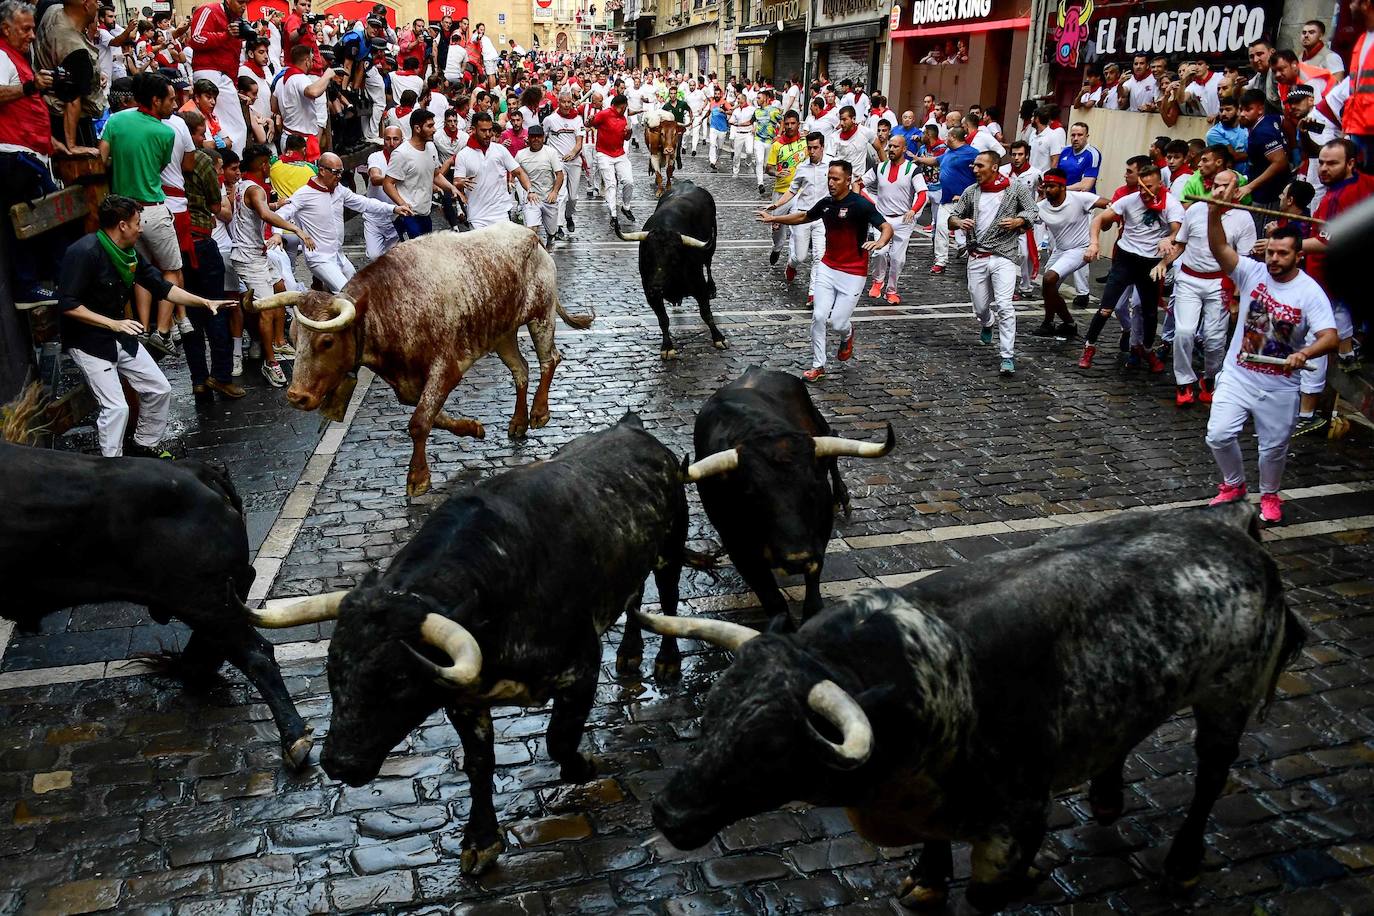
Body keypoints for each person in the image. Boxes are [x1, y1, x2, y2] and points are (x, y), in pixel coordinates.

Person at [57, 195, 235, 456]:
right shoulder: (84, 252)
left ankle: (145, 444)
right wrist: (113, 324)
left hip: (121, 335)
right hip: (89, 342)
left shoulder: (130, 254)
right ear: (122, 226)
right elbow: (68, 304)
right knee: (117, 408)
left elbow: (163, 288)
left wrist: (205, 302)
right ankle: (112, 468)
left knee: (159, 388)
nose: (141, 228)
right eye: (137, 223)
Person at [1203, 191, 1338, 524]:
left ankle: (1270, 493)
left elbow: (1330, 337)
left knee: (1273, 449)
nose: (1274, 259)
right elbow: (1221, 250)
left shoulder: (1309, 292)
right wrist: (1213, 215)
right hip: (1238, 374)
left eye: (1283, 254)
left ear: (1298, 256)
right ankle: (1234, 485)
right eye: (1272, 252)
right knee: (1218, 435)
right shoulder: (1251, 272)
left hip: (1279, 386)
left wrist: (1304, 353)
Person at [758, 160, 893, 383]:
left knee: (837, 323)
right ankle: (818, 365)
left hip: (853, 273)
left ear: (848, 181)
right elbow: (803, 216)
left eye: (836, 179)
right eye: (829, 178)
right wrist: (774, 218)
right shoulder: (826, 203)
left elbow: (886, 227)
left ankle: (847, 334)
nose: (830, 183)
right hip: (828, 268)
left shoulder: (861, 205)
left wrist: (880, 242)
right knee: (819, 317)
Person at [1151, 168, 1256, 406]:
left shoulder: (1243, 218)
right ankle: (1183, 382)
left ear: (1236, 191)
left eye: (1224, 186)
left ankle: (1209, 379)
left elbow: (1245, 262)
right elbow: (1180, 245)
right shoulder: (1196, 210)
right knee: (1184, 332)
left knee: (1214, 338)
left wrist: (1237, 297)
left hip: (1220, 283)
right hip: (1189, 279)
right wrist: (1163, 263)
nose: (1217, 190)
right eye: (1215, 185)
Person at [100, 71, 183, 356]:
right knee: (171, 269)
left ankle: (143, 328)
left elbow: (101, 158)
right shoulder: (165, 132)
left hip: (123, 215)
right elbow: (158, 169)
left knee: (140, 273)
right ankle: (162, 330)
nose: (174, 104)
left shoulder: (115, 120)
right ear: (155, 100)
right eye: (170, 99)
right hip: (153, 209)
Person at [1078, 164, 1183, 371]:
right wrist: (1094, 243)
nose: (1145, 192)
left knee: (1150, 312)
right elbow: (1099, 219)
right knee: (1106, 309)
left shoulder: (1171, 204)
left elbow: (1179, 235)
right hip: (1126, 259)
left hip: (1151, 263)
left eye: (1150, 187)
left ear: (1160, 184)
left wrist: (1168, 241)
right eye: (1142, 187)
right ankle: (1089, 346)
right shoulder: (1129, 200)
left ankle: (1146, 349)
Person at [945, 151, 1037, 376]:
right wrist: (959, 221)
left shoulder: (1014, 188)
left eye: (980, 166)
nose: (975, 170)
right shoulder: (971, 192)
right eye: (974, 166)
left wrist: (1018, 220)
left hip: (1003, 256)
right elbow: (952, 217)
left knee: (1005, 305)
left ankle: (1007, 356)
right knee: (980, 307)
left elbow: (1032, 211)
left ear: (994, 167)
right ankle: (987, 322)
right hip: (977, 256)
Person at [230, 143, 314, 387]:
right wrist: (296, 228)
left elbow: (259, 210)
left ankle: (278, 343)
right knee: (267, 310)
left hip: (259, 253)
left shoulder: (241, 185)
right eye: (268, 162)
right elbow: (264, 215)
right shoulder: (256, 189)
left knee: (281, 289)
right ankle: (270, 362)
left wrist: (277, 205)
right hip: (248, 256)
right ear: (261, 164)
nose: (270, 167)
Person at [278, 152, 407, 291]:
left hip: (339, 255)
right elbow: (281, 214)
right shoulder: (303, 194)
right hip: (319, 258)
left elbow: (365, 203)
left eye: (341, 172)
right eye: (336, 172)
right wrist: (277, 234)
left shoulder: (339, 190)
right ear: (322, 170)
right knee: (347, 292)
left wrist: (393, 208)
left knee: (356, 286)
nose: (339, 177)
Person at [0, 0, 60, 302]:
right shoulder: (1, 55)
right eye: (25, 29)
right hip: (14, 155)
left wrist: (54, 144)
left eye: (33, 29)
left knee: (45, 220)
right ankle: (29, 286)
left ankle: (39, 285)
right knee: (33, 220)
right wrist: (29, 87)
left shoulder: (18, 57)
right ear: (5, 29)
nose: (32, 35)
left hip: (28, 153)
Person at [180, 130, 242, 401]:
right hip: (201, 241)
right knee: (215, 309)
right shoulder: (203, 162)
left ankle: (199, 380)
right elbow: (219, 208)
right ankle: (221, 376)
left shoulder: (162, 162)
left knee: (189, 314)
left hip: (175, 245)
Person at [1034, 169, 1106, 339]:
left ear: (1063, 187)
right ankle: (1052, 323)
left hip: (1080, 249)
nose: (1048, 190)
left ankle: (1067, 323)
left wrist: (1107, 223)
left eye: (1052, 186)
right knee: (1048, 288)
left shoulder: (1080, 198)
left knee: (1049, 278)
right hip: (1060, 250)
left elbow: (1110, 205)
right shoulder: (1041, 207)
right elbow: (1026, 220)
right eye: (1046, 187)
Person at [864, 134, 928, 304]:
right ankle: (877, 281)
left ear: (905, 149)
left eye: (895, 146)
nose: (891, 149)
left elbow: (922, 193)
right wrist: (872, 203)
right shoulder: (880, 168)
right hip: (882, 220)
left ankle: (891, 290)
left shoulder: (912, 169)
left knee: (898, 259)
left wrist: (913, 210)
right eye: (890, 146)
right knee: (879, 252)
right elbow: (860, 184)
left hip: (903, 221)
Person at [763, 130, 827, 296]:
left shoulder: (832, 164)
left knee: (819, 257)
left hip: (822, 218)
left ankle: (813, 294)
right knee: (800, 256)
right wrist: (777, 204)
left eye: (815, 148)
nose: (812, 152)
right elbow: (792, 191)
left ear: (822, 147)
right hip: (803, 216)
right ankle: (791, 265)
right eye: (809, 148)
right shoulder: (801, 168)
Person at [35, 0, 102, 156]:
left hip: (49, 110)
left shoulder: (53, 11)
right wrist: (72, 145)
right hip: (69, 123)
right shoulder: (73, 46)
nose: (98, 6)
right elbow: (72, 100)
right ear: (86, 5)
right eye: (96, 3)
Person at [384, 109, 460, 239]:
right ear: (417, 128)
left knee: (425, 256)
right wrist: (402, 204)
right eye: (430, 126)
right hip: (408, 217)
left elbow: (436, 175)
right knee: (413, 257)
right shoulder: (401, 153)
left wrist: (451, 187)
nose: (434, 130)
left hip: (425, 214)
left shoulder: (431, 147)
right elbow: (387, 184)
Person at [187, 0, 247, 154]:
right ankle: (225, 166)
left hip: (225, 76)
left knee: (237, 126)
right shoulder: (209, 10)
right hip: (208, 71)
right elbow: (196, 38)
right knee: (212, 127)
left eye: (246, 2)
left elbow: (233, 55)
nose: (244, 6)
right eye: (241, 2)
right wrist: (225, 35)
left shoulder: (237, 21)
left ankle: (233, 166)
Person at [457, 110, 532, 231]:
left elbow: (519, 172)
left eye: (490, 130)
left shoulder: (500, 150)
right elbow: (457, 182)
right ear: (473, 129)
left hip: (501, 213)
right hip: (477, 217)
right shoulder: (463, 155)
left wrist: (530, 190)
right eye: (483, 130)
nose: (488, 134)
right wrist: (460, 184)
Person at [929, 125, 976, 275]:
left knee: (971, 231)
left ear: (953, 137)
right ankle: (940, 262)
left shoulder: (972, 153)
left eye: (947, 136)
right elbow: (936, 160)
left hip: (966, 201)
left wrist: (964, 193)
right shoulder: (948, 152)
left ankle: (975, 259)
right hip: (947, 199)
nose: (944, 139)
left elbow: (982, 172)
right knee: (941, 229)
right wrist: (917, 159)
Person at [764, 110, 805, 270]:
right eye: (787, 123)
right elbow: (768, 168)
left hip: (799, 193)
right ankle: (777, 247)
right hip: (781, 193)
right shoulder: (777, 145)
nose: (789, 126)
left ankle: (792, 261)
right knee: (777, 227)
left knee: (797, 228)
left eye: (792, 123)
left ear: (798, 124)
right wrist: (776, 172)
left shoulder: (805, 143)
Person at [273, 43, 329, 161]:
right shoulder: (300, 78)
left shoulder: (281, 80)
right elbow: (313, 92)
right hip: (300, 142)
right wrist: (327, 76)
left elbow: (273, 106)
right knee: (304, 177)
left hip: (286, 136)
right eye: (312, 60)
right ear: (307, 60)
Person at [591, 93, 635, 230]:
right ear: (619, 106)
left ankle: (626, 207)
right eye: (624, 107)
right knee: (611, 184)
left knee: (629, 181)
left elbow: (627, 138)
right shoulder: (604, 114)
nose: (625, 110)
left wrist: (629, 132)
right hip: (604, 154)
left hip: (620, 154)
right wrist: (589, 120)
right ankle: (613, 215)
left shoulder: (624, 119)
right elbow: (591, 123)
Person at [516, 124, 564, 247]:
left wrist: (555, 192)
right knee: (532, 230)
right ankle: (534, 255)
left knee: (551, 231)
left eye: (538, 137)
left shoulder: (551, 153)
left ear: (543, 138)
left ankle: (549, 243)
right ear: (528, 138)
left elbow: (559, 174)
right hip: (531, 198)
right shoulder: (521, 155)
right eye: (533, 137)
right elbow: (515, 173)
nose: (536, 140)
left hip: (548, 198)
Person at [543, 91, 584, 236]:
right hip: (558, 162)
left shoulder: (578, 119)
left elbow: (579, 142)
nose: (566, 105)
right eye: (563, 102)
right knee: (561, 195)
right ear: (558, 102)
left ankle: (568, 215)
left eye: (569, 102)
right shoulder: (550, 120)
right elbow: (543, 139)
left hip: (574, 162)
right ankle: (558, 226)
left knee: (573, 197)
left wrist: (573, 153)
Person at [363, 125, 404, 258]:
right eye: (388, 139)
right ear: (383, 140)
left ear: (402, 140)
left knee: (391, 258)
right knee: (373, 255)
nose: (391, 143)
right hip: (375, 217)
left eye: (396, 139)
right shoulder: (375, 157)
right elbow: (375, 178)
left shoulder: (406, 158)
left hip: (396, 217)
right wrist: (393, 180)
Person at [1058, 122, 1101, 192]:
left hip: (1081, 198)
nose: (1075, 138)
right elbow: (1057, 175)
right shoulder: (1064, 151)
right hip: (1063, 195)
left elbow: (1086, 186)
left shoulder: (1092, 154)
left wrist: (1061, 189)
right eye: (1073, 135)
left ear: (1087, 136)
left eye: (1080, 135)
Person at [281, 0, 322, 74]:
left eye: (309, 6)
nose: (307, 8)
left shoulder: (304, 21)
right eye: (303, 5)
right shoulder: (293, 19)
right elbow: (292, 37)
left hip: (311, 70)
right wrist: (301, 29)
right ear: (295, 5)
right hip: (301, 71)